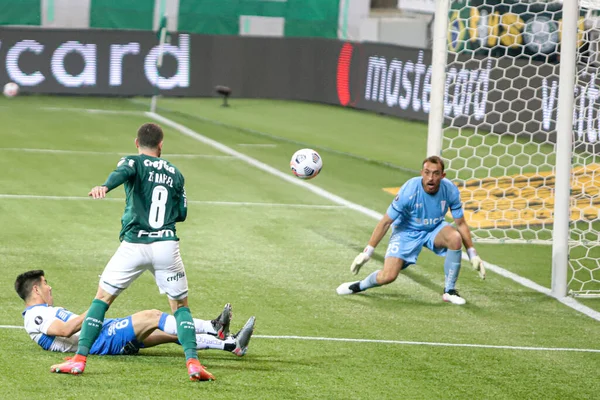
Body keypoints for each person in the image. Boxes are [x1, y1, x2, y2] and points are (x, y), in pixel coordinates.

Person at [50, 122, 216, 381]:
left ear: (136, 143)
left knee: (102, 300)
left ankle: (79, 360)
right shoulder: (176, 173)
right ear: (161, 145)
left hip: (134, 245)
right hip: (166, 246)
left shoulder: (133, 161)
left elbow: (122, 172)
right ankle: (193, 363)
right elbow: (182, 213)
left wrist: (105, 186)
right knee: (180, 306)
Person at [336, 155, 485, 305]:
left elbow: (461, 223)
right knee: (388, 276)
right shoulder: (409, 191)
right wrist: (367, 252)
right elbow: (386, 222)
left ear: (443, 175)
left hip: (434, 228)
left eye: (436, 173)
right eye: (427, 172)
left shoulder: (450, 189)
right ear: (421, 173)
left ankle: (449, 291)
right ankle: (358, 286)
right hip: (407, 231)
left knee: (455, 237)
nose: (431, 178)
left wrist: (472, 253)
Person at [16, 270, 255, 356]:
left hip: (105, 333)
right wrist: (99, 303)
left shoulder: (42, 311)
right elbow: (66, 330)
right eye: (46, 283)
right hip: (102, 340)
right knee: (152, 315)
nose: (50, 287)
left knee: (172, 333)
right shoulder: (36, 316)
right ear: (36, 289)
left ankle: (231, 345)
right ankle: (214, 327)